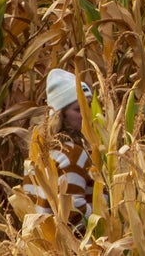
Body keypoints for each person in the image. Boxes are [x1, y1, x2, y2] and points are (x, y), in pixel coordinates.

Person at [22, 68, 93, 226]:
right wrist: (103, 217)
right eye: (78, 109)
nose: (86, 114)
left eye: (88, 106)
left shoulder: (38, 151)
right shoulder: (73, 154)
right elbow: (73, 212)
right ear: (60, 114)